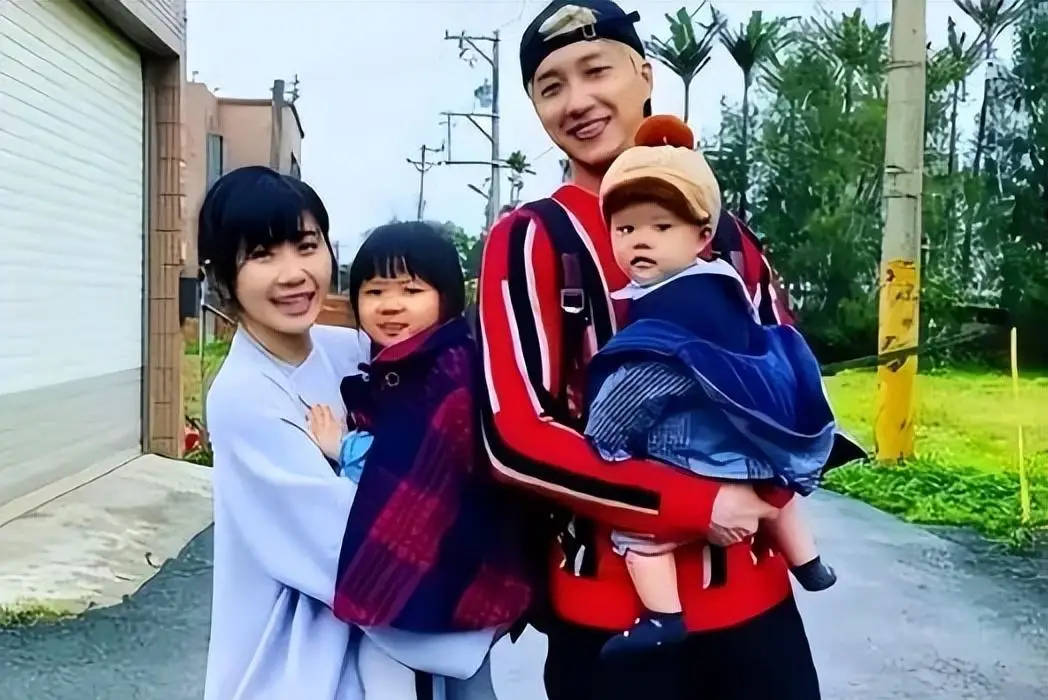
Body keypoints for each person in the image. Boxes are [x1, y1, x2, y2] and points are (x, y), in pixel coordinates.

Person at [476, 2, 836, 698]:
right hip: (610, 623)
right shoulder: (530, 239)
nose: (577, 101)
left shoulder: (724, 235)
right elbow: (512, 437)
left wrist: (764, 493)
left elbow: (791, 390)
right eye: (551, 87)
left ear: (643, 75)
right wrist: (694, 502)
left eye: (596, 71)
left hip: (758, 609)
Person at [200, 168, 516, 699]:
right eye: (262, 255)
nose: (294, 274)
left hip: (396, 658)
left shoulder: (351, 349)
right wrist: (481, 581)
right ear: (221, 276)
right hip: (305, 666)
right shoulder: (245, 397)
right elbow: (345, 541)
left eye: (306, 246)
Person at [584, 115, 838, 658]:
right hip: (756, 451)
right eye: (625, 230)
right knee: (779, 499)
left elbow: (637, 388)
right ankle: (809, 563)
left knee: (637, 539)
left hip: (696, 462)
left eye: (661, 227)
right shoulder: (726, 286)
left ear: (702, 236)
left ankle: (663, 616)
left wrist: (603, 437)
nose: (640, 241)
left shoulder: (670, 313)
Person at [306, 222, 532, 696]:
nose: (390, 305)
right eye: (374, 291)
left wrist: (343, 449)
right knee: (460, 679)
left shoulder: (447, 373)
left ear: (447, 297)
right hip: (467, 567)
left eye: (411, 290)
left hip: (456, 561)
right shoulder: (417, 362)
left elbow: (414, 466)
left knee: (421, 670)